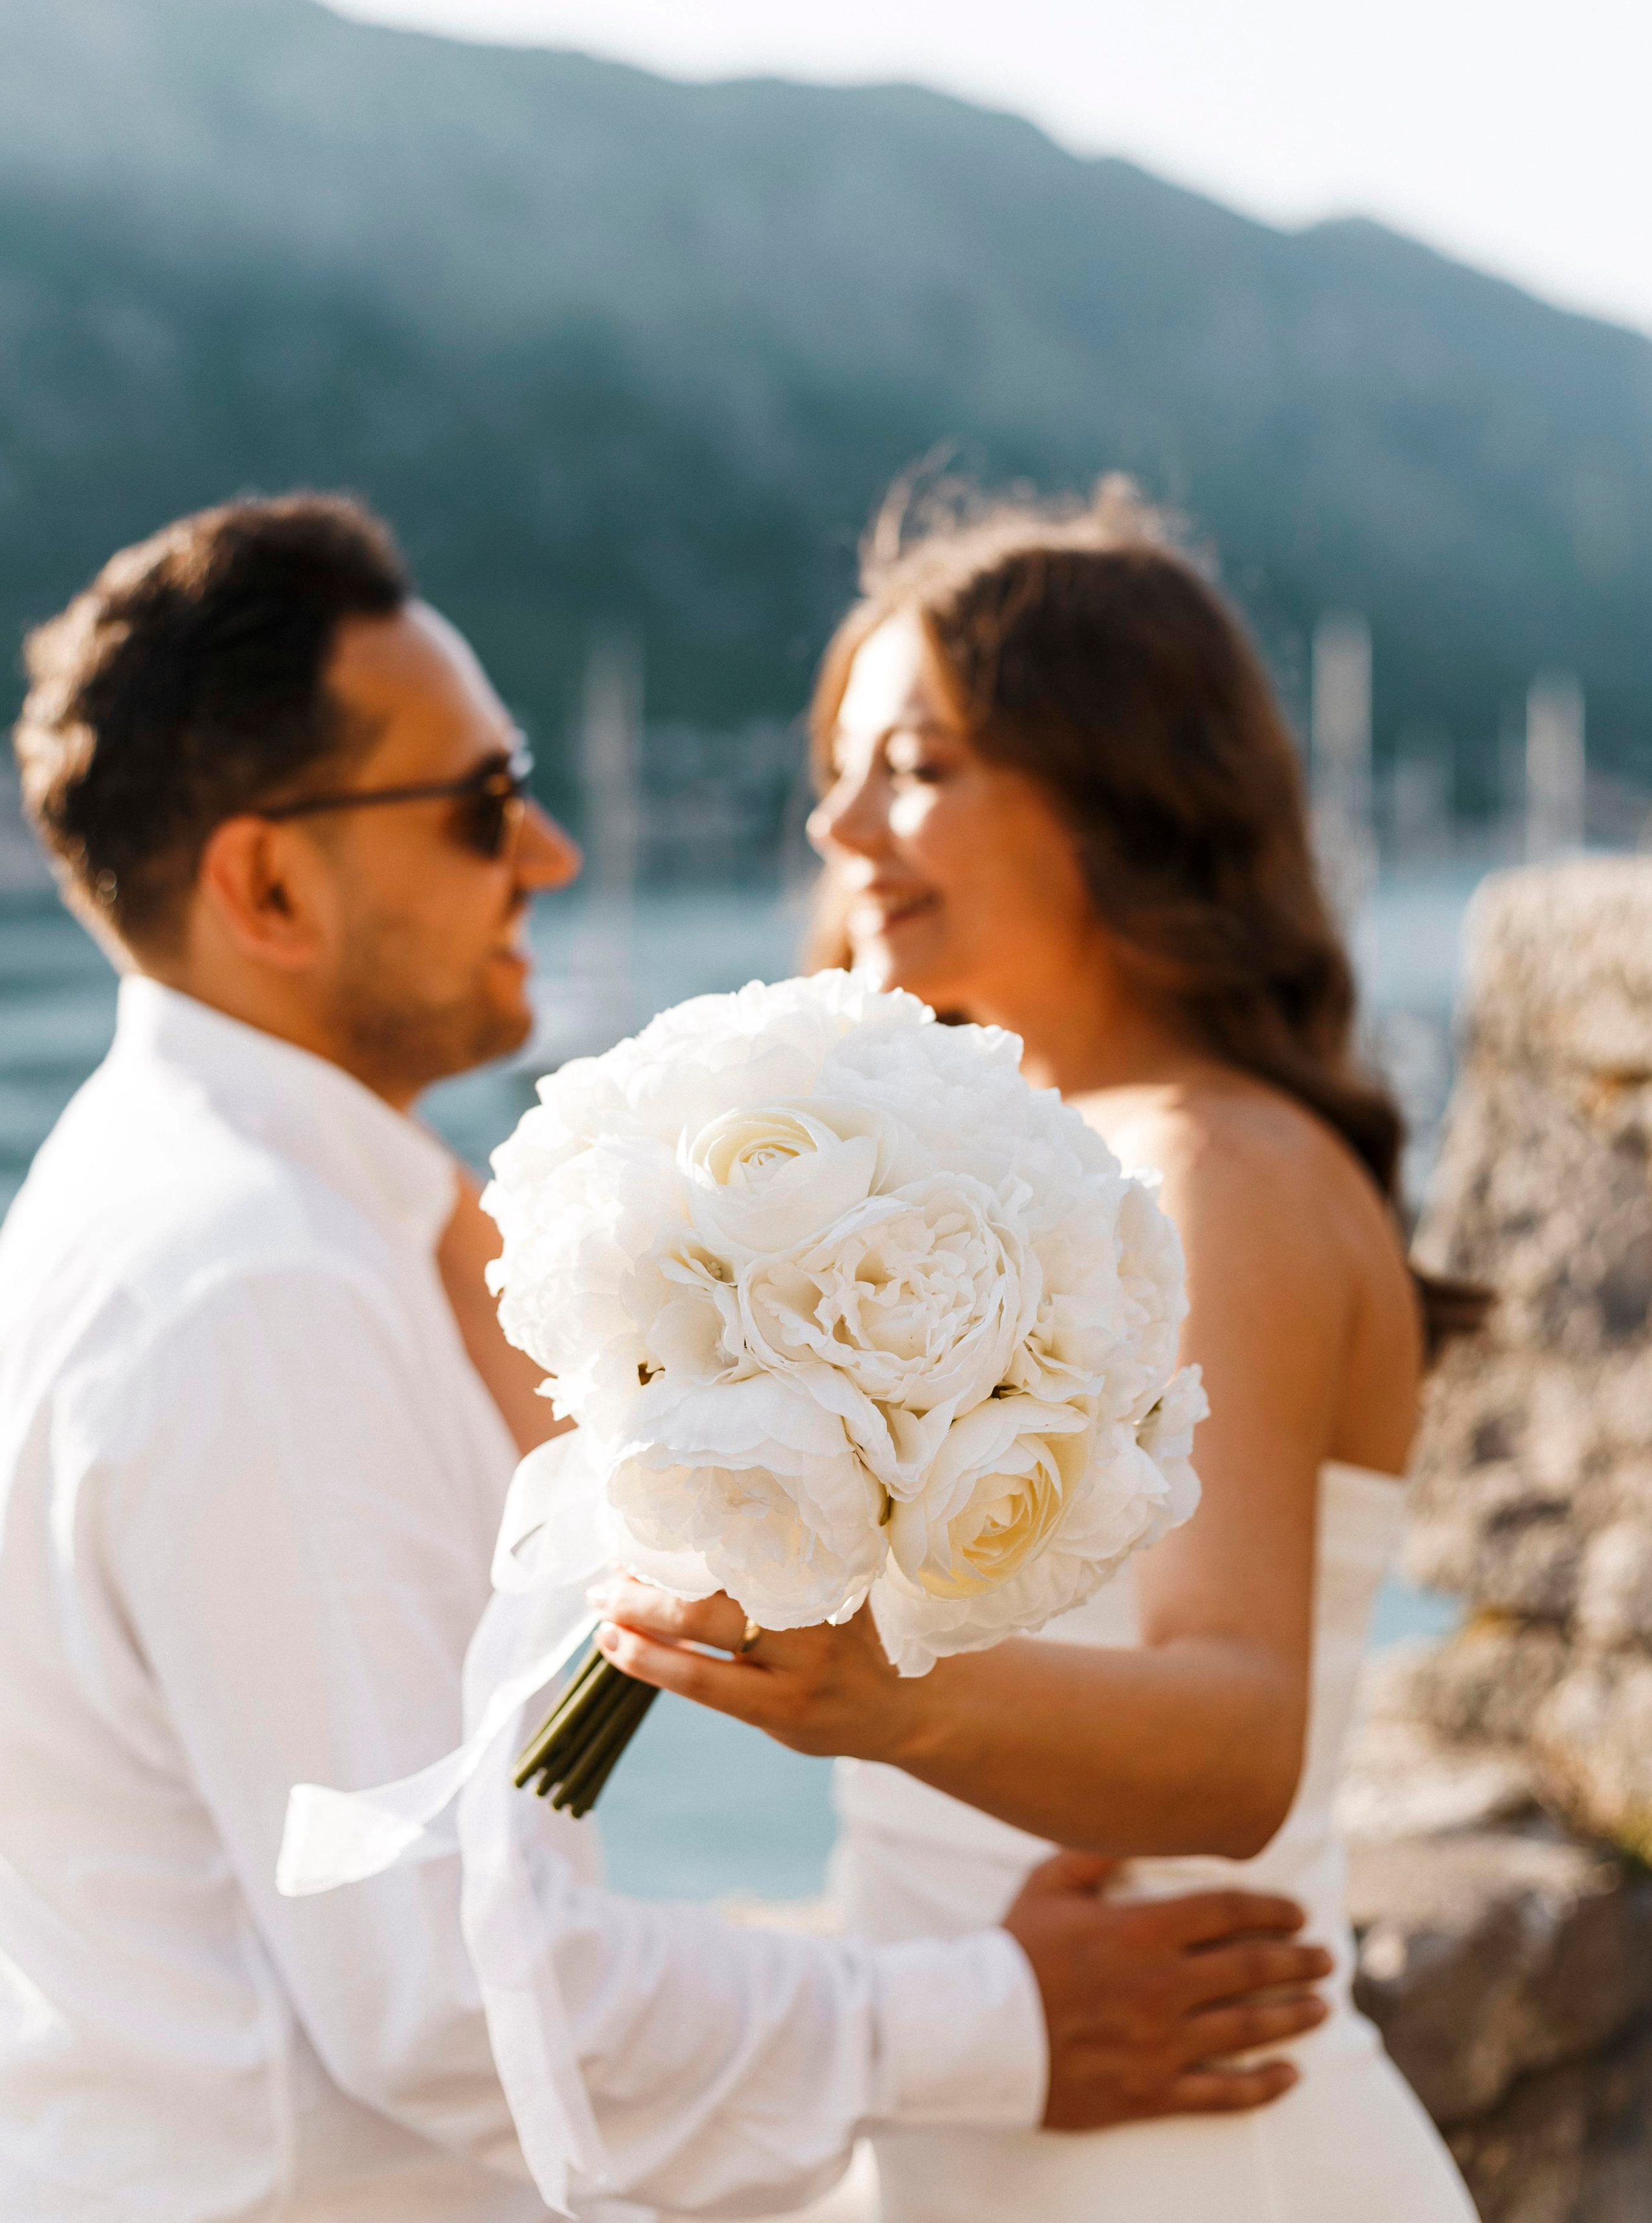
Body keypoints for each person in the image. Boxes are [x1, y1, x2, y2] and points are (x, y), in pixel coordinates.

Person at [0, 494, 1332, 2222]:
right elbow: (449, 1992)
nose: (549, 854)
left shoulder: (179, 1211)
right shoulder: (254, 1286)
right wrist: (994, 2024)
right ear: (267, 883)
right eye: (484, 805)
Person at [594, 480, 1484, 2220]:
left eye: (916, 768)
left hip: (1199, 2153)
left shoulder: (1209, 1171)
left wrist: (882, 1692)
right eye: (840, 769)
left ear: (1121, 796)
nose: (840, 825)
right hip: (986, 2122)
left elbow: (1241, 1743)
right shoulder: (981, 1176)